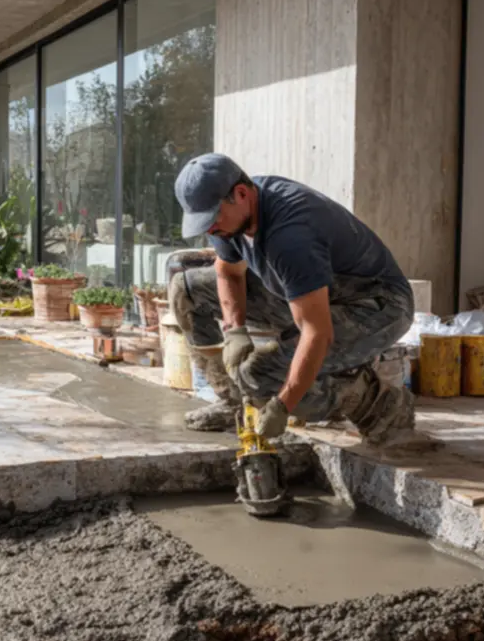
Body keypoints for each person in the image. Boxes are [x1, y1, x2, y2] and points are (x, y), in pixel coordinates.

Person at [168, 153, 414, 445]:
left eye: (212, 218)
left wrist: (283, 405)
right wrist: (234, 331)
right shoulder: (229, 217)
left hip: (376, 306)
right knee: (187, 290)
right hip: (308, 294)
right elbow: (228, 272)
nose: (210, 229)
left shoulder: (291, 237)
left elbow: (316, 333)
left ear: (242, 194)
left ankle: (376, 405)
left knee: (263, 375)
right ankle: (237, 402)